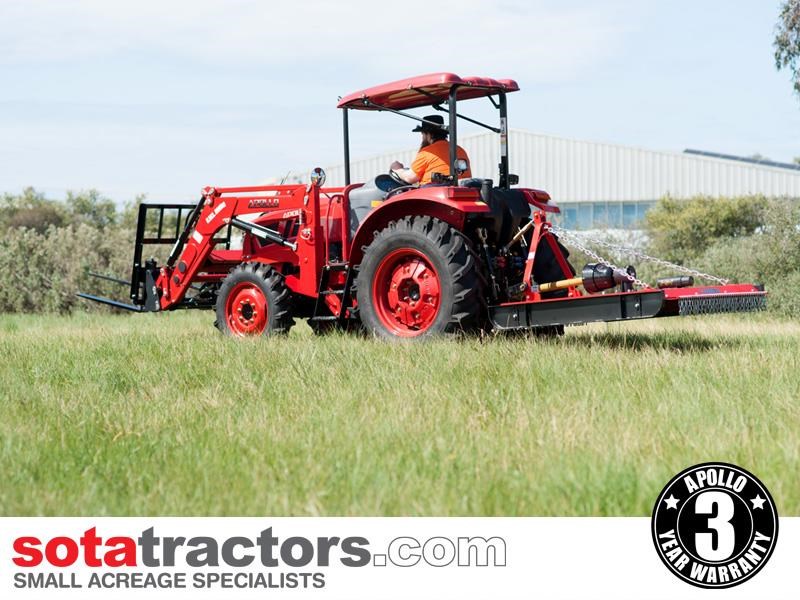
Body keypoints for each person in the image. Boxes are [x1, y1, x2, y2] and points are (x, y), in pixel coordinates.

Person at [389, 115, 472, 185]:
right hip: (462, 190)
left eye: (422, 134)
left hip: (433, 193)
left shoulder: (427, 152)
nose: (422, 138)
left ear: (428, 134)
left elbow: (410, 178)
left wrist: (398, 169)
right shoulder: (460, 150)